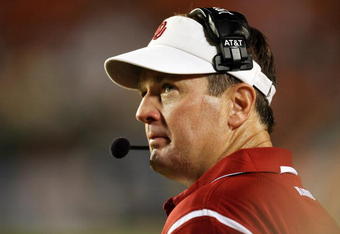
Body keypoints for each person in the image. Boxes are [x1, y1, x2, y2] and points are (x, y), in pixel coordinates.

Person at [104, 7, 340, 234]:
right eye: (144, 93)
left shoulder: (209, 214)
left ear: (238, 105)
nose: (143, 111)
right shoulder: (300, 205)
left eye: (168, 88)